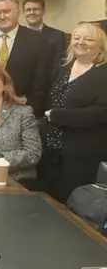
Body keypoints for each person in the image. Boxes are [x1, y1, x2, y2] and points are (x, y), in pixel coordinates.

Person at [44, 22, 107, 202]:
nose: (81, 42)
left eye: (88, 39)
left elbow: (103, 112)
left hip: (84, 152)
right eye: (77, 38)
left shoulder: (103, 72)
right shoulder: (66, 67)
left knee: (73, 203)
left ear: (100, 45)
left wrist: (60, 116)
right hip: (55, 147)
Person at [0, 0, 51, 117]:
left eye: (7, 11)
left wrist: (30, 104)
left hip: (24, 109)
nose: (2, 17)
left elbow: (42, 78)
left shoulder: (37, 40)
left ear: (17, 13)